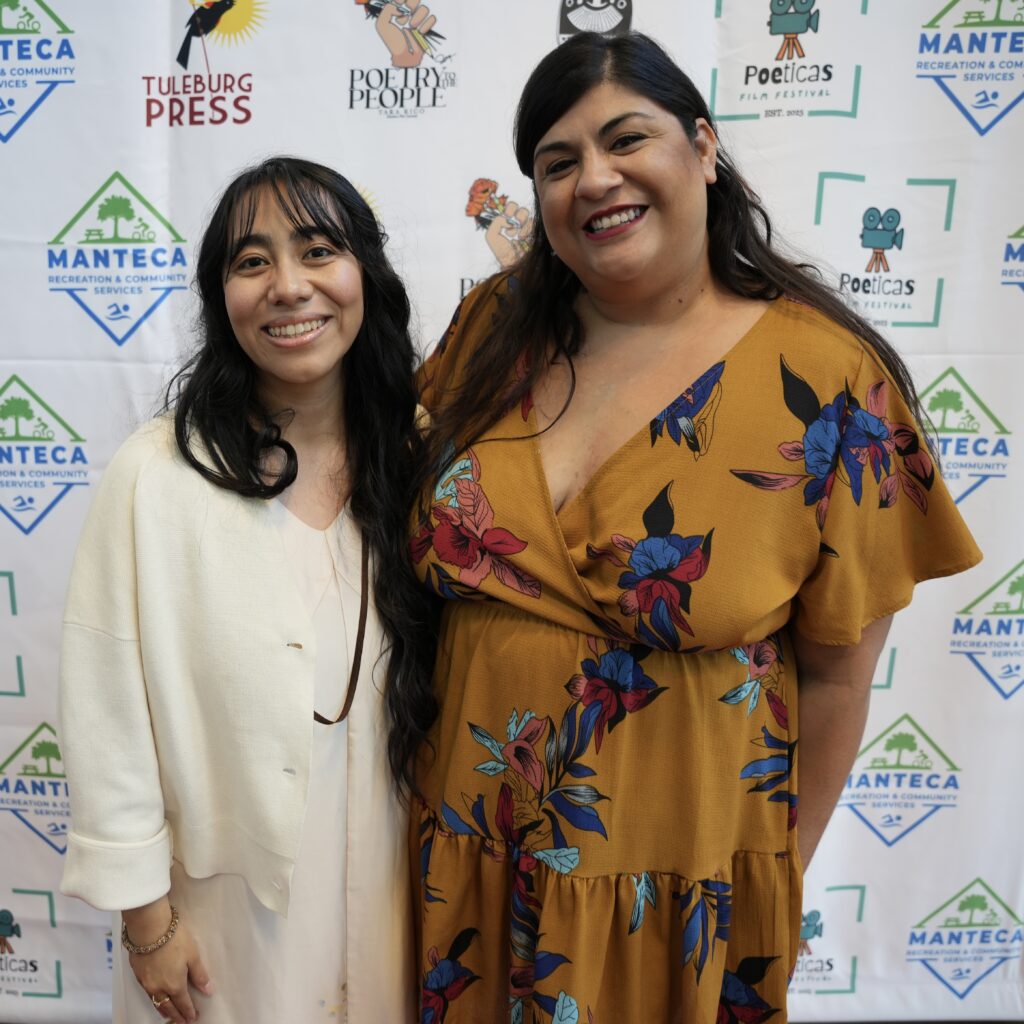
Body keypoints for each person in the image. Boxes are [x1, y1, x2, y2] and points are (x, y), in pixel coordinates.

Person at [406, 33, 982, 1022]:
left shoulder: (831, 383)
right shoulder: (494, 326)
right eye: (557, 161)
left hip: (672, 902)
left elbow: (839, 677)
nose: (595, 178)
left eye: (626, 138)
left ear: (704, 147)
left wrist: (771, 877)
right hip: (463, 867)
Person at [58, 157, 431, 1023]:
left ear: (365, 274)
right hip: (222, 926)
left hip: (399, 895)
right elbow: (107, 715)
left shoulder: (423, 456)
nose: (289, 287)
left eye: (318, 250)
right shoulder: (158, 474)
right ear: (220, 296)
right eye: (252, 261)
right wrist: (147, 924)